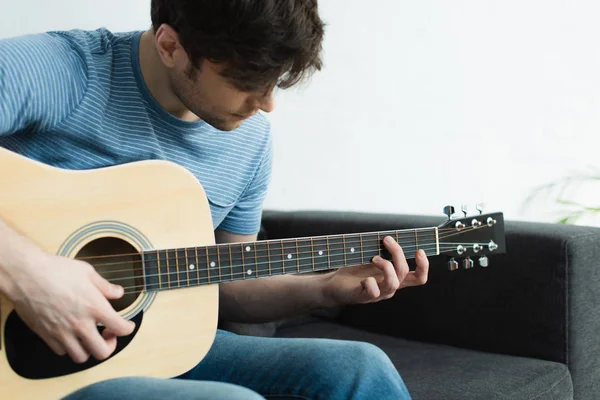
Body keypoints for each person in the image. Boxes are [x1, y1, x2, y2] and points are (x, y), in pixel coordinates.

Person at [0, 1, 430, 399]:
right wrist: (29, 273)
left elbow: (229, 281)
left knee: (360, 368)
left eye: (273, 82)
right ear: (171, 46)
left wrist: (324, 288)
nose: (266, 104)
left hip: (157, 348)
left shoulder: (250, 140)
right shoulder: (64, 69)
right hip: (24, 366)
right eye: (245, 82)